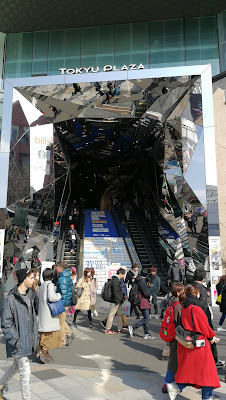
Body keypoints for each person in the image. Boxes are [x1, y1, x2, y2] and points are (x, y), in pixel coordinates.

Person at [167, 284, 221, 400]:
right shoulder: (196, 308)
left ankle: (176, 386)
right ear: (196, 294)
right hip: (200, 344)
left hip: (189, 342)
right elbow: (204, 326)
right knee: (207, 373)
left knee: (193, 372)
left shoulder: (185, 307)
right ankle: (206, 397)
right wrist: (212, 337)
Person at [0, 268, 38, 400]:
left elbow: (32, 318)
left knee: (15, 367)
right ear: (24, 279)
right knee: (25, 371)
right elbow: (5, 323)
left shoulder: (30, 296)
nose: (34, 280)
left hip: (27, 340)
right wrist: (15, 340)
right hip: (19, 342)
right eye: (32, 278)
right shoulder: (10, 299)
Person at [193, 268, 225, 368]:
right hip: (202, 317)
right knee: (210, 338)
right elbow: (202, 305)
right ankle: (213, 359)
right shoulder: (201, 289)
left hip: (190, 318)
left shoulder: (189, 286)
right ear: (203, 278)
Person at [162, 283, 184, 393]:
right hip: (176, 336)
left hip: (170, 334)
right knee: (174, 361)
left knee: (173, 360)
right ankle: (167, 384)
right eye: (183, 291)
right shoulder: (178, 305)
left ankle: (170, 382)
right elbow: (180, 322)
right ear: (179, 293)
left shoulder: (171, 302)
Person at [37, 268, 62, 363]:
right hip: (49, 313)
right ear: (51, 276)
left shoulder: (42, 285)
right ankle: (44, 352)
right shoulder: (50, 285)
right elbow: (51, 298)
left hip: (43, 312)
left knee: (43, 334)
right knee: (49, 334)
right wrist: (59, 295)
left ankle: (43, 352)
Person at [128, 270, 155, 340]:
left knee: (146, 317)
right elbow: (146, 292)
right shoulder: (142, 281)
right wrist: (150, 296)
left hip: (140, 300)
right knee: (146, 318)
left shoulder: (138, 279)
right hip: (143, 301)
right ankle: (133, 327)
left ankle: (146, 333)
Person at [56, 261, 74, 348]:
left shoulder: (62, 278)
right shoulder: (68, 277)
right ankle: (70, 334)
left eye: (57, 267)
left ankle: (62, 342)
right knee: (62, 321)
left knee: (61, 323)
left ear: (60, 267)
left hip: (62, 303)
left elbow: (62, 293)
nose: (56, 269)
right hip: (67, 302)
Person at [104, 268, 127, 334]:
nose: (123, 276)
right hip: (115, 301)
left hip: (117, 301)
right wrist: (119, 300)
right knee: (112, 315)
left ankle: (120, 328)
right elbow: (116, 292)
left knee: (119, 314)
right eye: (123, 275)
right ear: (120, 274)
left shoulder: (115, 280)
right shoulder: (115, 281)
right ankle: (107, 329)